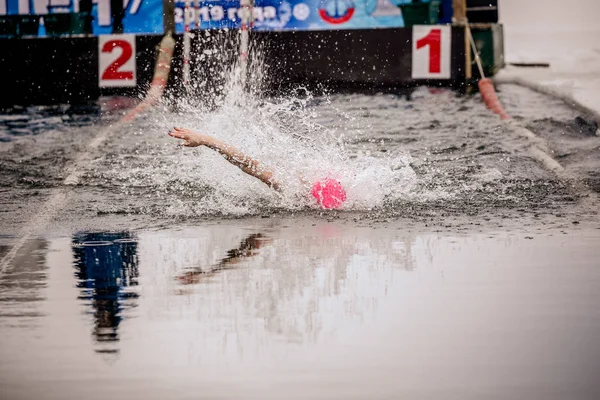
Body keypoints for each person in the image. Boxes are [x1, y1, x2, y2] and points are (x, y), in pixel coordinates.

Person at [168, 127, 347, 209]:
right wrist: (207, 140)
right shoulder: (295, 189)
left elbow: (248, 165)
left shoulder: (298, 194)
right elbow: (248, 164)